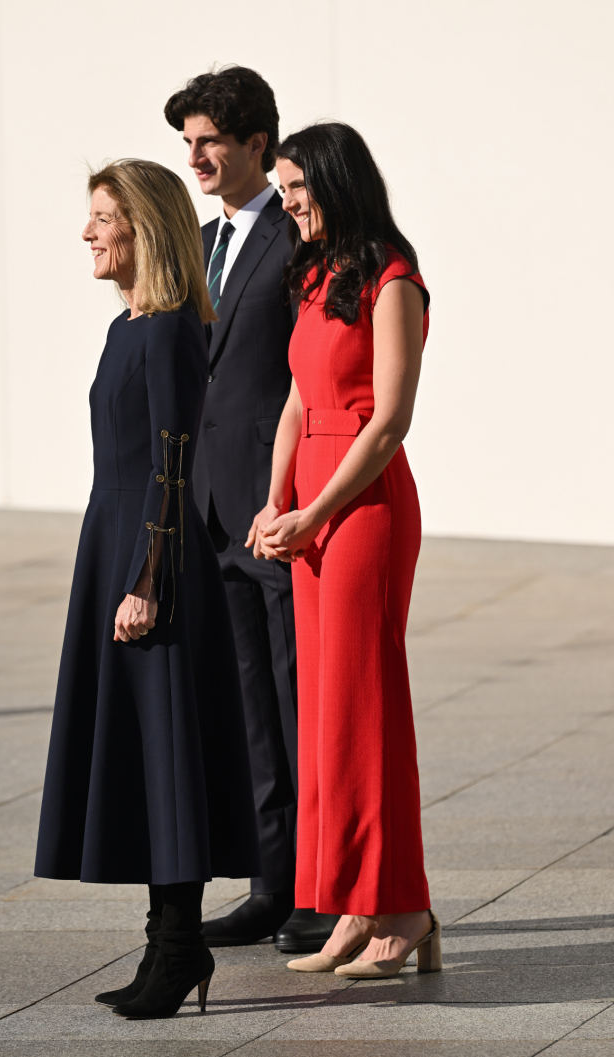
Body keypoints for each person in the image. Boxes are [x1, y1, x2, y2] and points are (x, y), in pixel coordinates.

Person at [34, 159, 261, 1019]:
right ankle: (167, 944)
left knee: (168, 753)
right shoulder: (126, 327)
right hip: (117, 545)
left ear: (144, 227)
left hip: (147, 560)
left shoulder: (167, 329)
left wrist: (146, 579)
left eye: (102, 217)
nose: (88, 233)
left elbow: (172, 465)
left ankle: (177, 950)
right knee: (145, 752)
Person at [249, 123, 442, 979]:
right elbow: (296, 400)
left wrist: (318, 508)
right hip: (315, 502)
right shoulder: (315, 271)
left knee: (367, 707)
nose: (286, 201)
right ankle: (355, 904)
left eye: (296, 186)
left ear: (335, 180)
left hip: (365, 504)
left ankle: (405, 905)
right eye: (283, 188)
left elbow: (390, 422)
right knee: (325, 713)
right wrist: (274, 499)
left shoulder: (394, 277)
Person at [165, 66, 337, 954]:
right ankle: (273, 881)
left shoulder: (299, 233)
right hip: (208, 512)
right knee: (250, 709)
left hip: (279, 508)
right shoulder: (198, 243)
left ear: (257, 144)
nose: (195, 155)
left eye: (210, 141)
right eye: (187, 141)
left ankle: (321, 885)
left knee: (299, 696)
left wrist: (292, 499)